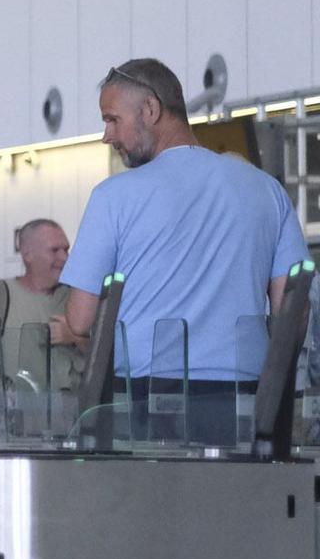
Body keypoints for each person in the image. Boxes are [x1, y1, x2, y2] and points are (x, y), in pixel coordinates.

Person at [62, 58, 308, 434]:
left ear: (150, 109)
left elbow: (79, 319)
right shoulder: (266, 190)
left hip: (148, 397)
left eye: (112, 120)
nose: (106, 136)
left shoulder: (113, 196)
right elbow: (293, 311)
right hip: (247, 395)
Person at [0, 218, 83, 392]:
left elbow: (106, 355)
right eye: (54, 250)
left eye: (66, 249)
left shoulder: (78, 297)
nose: (64, 258)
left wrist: (75, 337)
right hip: (14, 412)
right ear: (27, 254)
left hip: (71, 411)